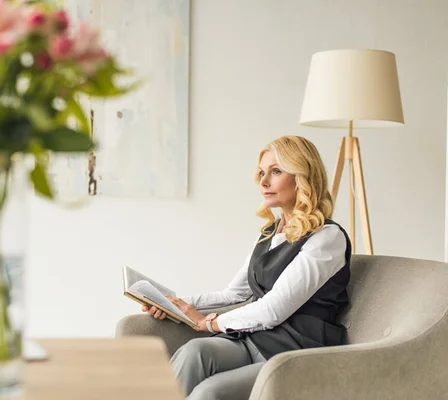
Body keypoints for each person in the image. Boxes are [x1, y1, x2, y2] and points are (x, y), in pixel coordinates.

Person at [142, 136, 351, 400]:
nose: (264, 181)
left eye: (276, 171)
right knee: (193, 352)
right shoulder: (269, 232)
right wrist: (175, 304)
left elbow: (274, 309)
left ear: (303, 176)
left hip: (298, 351)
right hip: (258, 339)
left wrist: (211, 323)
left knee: (211, 392)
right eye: (262, 172)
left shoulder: (327, 238)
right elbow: (235, 294)